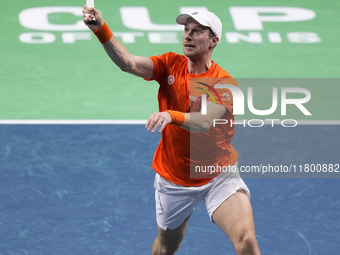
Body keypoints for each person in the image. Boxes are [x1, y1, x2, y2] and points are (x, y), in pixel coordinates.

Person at [83, 6, 261, 255]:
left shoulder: (224, 83)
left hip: (217, 175)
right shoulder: (170, 64)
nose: (187, 35)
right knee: (166, 247)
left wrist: (170, 115)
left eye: (197, 31)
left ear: (213, 41)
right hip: (174, 179)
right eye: (186, 30)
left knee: (247, 242)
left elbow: (204, 121)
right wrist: (100, 30)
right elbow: (129, 63)